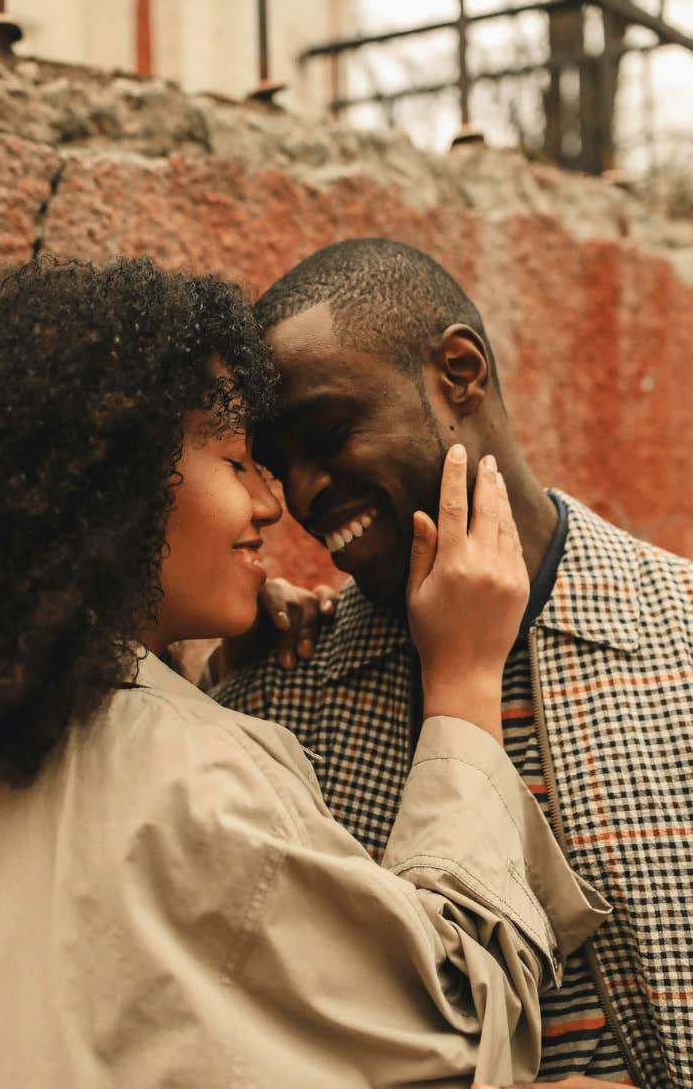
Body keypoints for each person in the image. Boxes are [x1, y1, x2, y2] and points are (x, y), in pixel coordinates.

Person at [0, 256, 605, 1088]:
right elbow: (460, 1021)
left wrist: (190, 676)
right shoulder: (194, 776)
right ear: (118, 488)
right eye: (241, 462)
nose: (278, 505)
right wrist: (461, 681)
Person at [213, 238, 693, 1089]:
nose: (302, 493)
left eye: (326, 434)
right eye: (279, 463)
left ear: (459, 371)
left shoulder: (681, 636)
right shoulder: (275, 697)